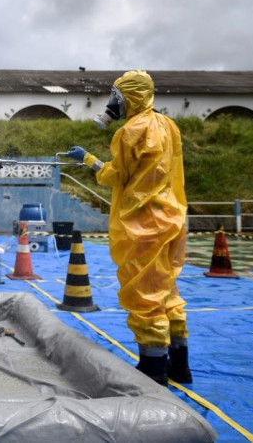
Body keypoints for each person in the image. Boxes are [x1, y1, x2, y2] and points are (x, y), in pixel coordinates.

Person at [67, 70, 192, 386]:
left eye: (117, 97)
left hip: (143, 224)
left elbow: (115, 175)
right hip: (172, 217)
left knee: (145, 294)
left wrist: (89, 160)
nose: (113, 104)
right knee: (167, 292)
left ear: (131, 97)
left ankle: (154, 370)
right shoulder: (169, 126)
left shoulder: (129, 133)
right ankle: (181, 365)